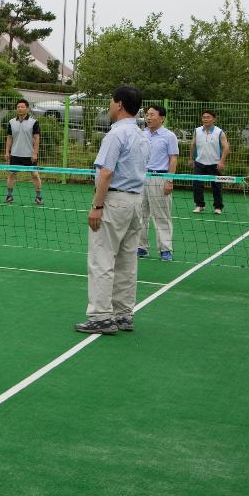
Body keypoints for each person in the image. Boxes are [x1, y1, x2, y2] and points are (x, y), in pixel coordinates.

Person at [75, 85, 150, 335]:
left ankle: (101, 316)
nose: (109, 106)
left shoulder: (116, 135)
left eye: (110, 101)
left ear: (119, 104)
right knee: (127, 261)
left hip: (114, 201)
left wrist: (97, 205)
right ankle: (123, 314)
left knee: (102, 259)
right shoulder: (141, 135)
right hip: (135, 202)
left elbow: (106, 172)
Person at [138, 104, 179, 261]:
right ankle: (141, 247)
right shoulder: (142, 134)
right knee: (140, 214)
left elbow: (173, 158)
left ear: (161, 118)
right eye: (147, 114)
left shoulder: (169, 136)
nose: (148, 117)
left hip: (159, 179)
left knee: (161, 215)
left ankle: (165, 250)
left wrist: (169, 180)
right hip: (141, 177)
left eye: (152, 115)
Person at [189, 109, 229, 214]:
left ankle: (218, 207)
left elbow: (226, 147)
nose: (205, 119)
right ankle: (199, 205)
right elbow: (193, 144)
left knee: (217, 186)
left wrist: (221, 162)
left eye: (208, 117)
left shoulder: (219, 132)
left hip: (215, 163)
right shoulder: (197, 131)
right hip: (199, 163)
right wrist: (191, 159)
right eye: (204, 117)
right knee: (197, 185)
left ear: (214, 119)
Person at [4, 99, 43, 205]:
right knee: (11, 174)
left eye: (22, 107)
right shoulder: (11, 122)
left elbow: (36, 138)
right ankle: (9, 195)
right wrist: (7, 152)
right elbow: (9, 138)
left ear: (27, 108)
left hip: (29, 155)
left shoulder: (34, 122)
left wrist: (35, 153)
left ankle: (38, 197)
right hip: (15, 154)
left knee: (35, 175)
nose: (20, 109)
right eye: (18, 107)